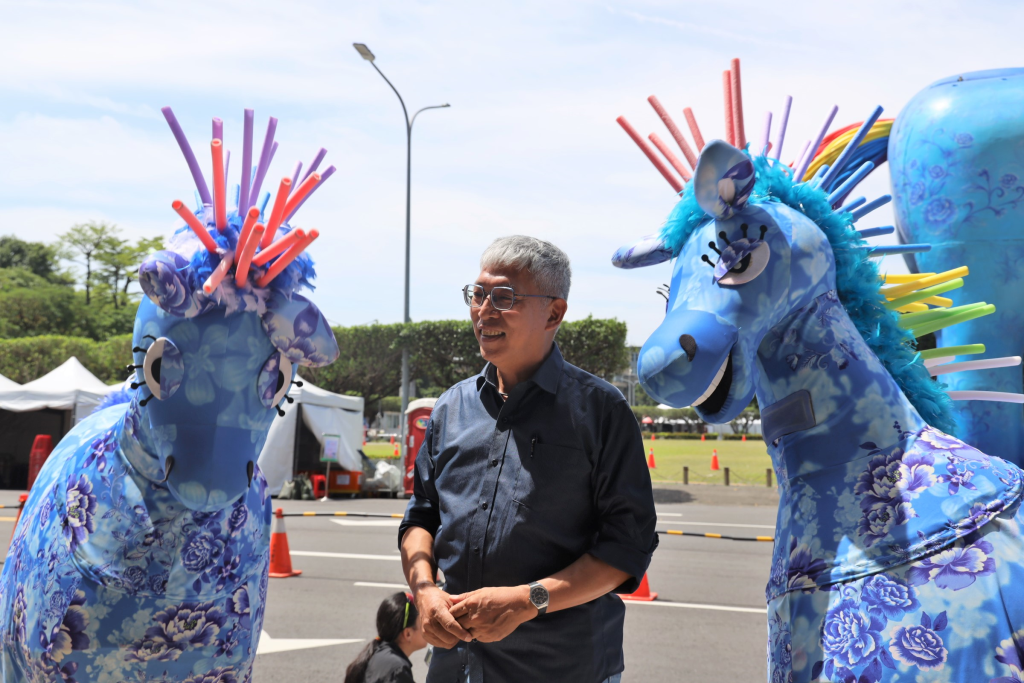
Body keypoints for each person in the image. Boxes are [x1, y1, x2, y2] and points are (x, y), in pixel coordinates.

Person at [399, 235, 658, 683]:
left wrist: (527, 600)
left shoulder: (601, 412)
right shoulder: (450, 408)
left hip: (562, 668)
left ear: (554, 313)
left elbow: (627, 549)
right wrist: (424, 592)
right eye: (478, 295)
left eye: (505, 297)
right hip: (453, 666)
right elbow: (421, 518)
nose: (484, 311)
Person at [344, 592, 428, 683]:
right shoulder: (397, 670)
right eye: (422, 624)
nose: (427, 628)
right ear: (408, 634)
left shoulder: (377, 654)